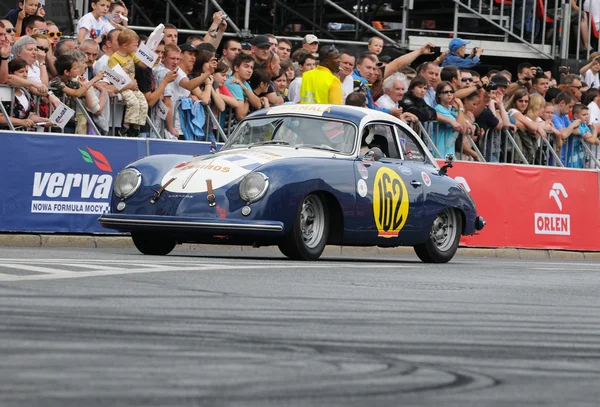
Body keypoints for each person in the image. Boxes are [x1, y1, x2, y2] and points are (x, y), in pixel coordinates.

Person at [107, 29, 148, 137]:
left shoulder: (131, 55)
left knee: (143, 103)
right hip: (123, 86)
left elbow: (141, 64)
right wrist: (121, 72)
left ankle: (136, 126)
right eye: (134, 45)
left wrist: (151, 60)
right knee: (133, 102)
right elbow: (113, 75)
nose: (136, 48)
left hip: (133, 86)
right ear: (125, 45)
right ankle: (125, 127)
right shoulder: (114, 58)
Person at [0, 58, 51, 129]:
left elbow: (27, 115)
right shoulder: (3, 90)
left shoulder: (26, 91)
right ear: (11, 73)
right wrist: (21, 122)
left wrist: (42, 120)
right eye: (21, 72)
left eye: (26, 72)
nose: (25, 75)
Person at [433, 81, 465, 158]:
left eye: (451, 92)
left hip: (449, 149)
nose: (449, 94)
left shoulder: (452, 109)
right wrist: (461, 107)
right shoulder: (439, 108)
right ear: (439, 95)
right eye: (445, 92)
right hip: (439, 149)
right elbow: (460, 127)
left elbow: (463, 129)